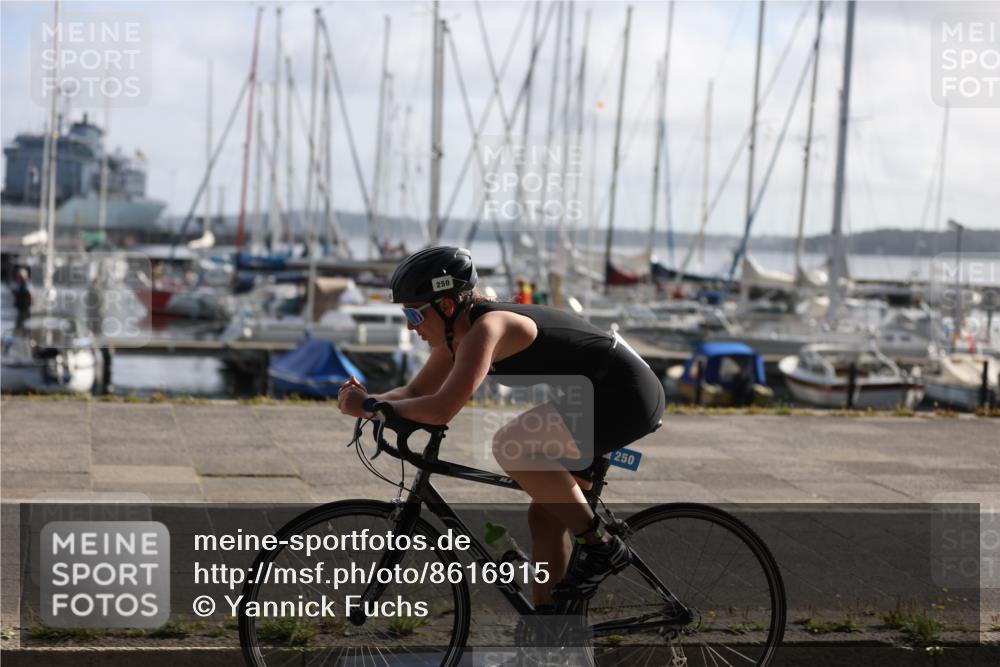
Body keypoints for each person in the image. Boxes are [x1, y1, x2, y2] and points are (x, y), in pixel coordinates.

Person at [338, 247, 665, 608]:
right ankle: (550, 634)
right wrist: (370, 400)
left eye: (414, 313)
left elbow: (442, 409)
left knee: (512, 444)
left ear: (447, 307)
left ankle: (602, 547)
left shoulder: (487, 329)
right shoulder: (456, 336)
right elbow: (416, 392)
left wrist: (370, 407)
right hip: (593, 394)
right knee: (546, 517)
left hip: (625, 394)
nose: (410, 325)